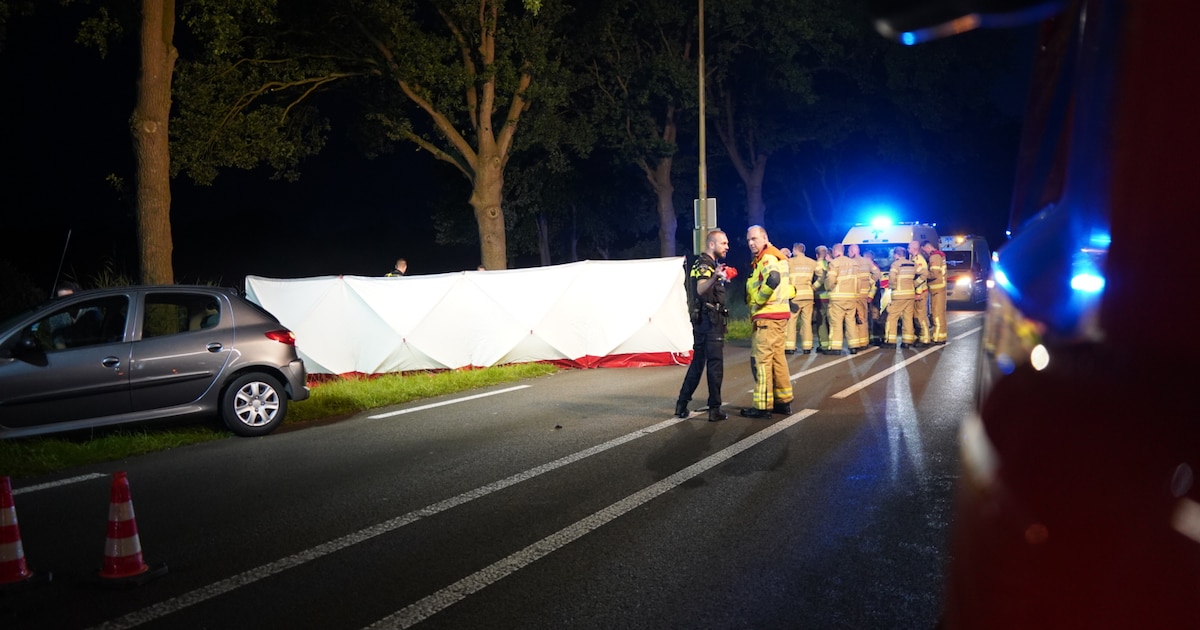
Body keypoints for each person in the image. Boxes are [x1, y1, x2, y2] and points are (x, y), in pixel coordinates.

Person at [674, 230, 732, 422]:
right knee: (715, 364)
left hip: (704, 319)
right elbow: (700, 289)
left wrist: (720, 278)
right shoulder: (705, 264)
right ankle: (715, 409)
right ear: (712, 244)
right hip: (709, 321)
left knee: (698, 363)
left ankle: (682, 404)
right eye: (723, 243)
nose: (727, 246)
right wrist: (715, 277)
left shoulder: (705, 264)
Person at [741, 226, 795, 419]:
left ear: (765, 237)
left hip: (767, 316)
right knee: (778, 360)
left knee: (761, 361)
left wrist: (759, 301)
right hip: (779, 315)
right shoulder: (777, 256)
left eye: (754, 239)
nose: (751, 243)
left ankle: (762, 406)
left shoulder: (767, 257)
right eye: (748, 240)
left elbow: (773, 278)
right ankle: (783, 401)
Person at [825, 242, 859, 354]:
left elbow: (831, 280)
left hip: (838, 298)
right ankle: (853, 346)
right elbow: (858, 280)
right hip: (852, 297)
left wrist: (828, 288)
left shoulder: (834, 263)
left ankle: (835, 347)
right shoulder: (854, 263)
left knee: (836, 322)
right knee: (851, 321)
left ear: (835, 251)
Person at [785, 242, 817, 354]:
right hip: (808, 295)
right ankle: (807, 347)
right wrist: (814, 287)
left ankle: (789, 347)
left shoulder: (790, 262)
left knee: (791, 321)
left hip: (795, 295)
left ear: (795, 250)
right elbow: (822, 275)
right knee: (807, 322)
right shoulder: (812, 262)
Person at [883, 246, 916, 348]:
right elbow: (924, 273)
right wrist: (915, 284)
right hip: (910, 294)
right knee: (908, 318)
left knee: (892, 317)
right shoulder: (912, 264)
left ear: (896, 255)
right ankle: (907, 341)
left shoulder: (895, 264)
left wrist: (892, 287)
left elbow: (892, 277)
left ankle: (890, 341)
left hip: (898, 295)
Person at [922, 240, 948, 344]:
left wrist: (923, 273)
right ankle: (941, 336)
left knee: (936, 315)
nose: (924, 253)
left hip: (937, 290)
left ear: (927, 248)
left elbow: (934, 274)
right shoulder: (939, 255)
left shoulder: (934, 257)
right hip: (940, 289)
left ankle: (938, 338)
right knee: (940, 314)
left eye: (924, 251)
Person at [847, 244, 871, 351]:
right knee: (863, 317)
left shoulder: (851, 262)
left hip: (855, 293)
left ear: (853, 251)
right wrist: (869, 282)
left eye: (849, 251)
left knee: (856, 318)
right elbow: (876, 272)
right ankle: (864, 341)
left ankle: (857, 342)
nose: (848, 253)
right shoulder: (867, 261)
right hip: (865, 293)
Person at [908, 240, 931, 347]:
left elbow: (921, 276)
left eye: (909, 247)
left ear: (914, 249)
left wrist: (917, 291)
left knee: (921, 316)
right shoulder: (912, 258)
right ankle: (918, 337)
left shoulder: (919, 260)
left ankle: (925, 339)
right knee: (916, 316)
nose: (908, 249)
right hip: (916, 292)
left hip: (920, 292)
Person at [812, 245, 831, 353]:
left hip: (821, 296)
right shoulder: (830, 264)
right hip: (831, 296)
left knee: (821, 321)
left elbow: (821, 278)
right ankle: (832, 343)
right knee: (831, 321)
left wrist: (813, 288)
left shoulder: (816, 265)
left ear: (817, 255)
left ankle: (824, 344)